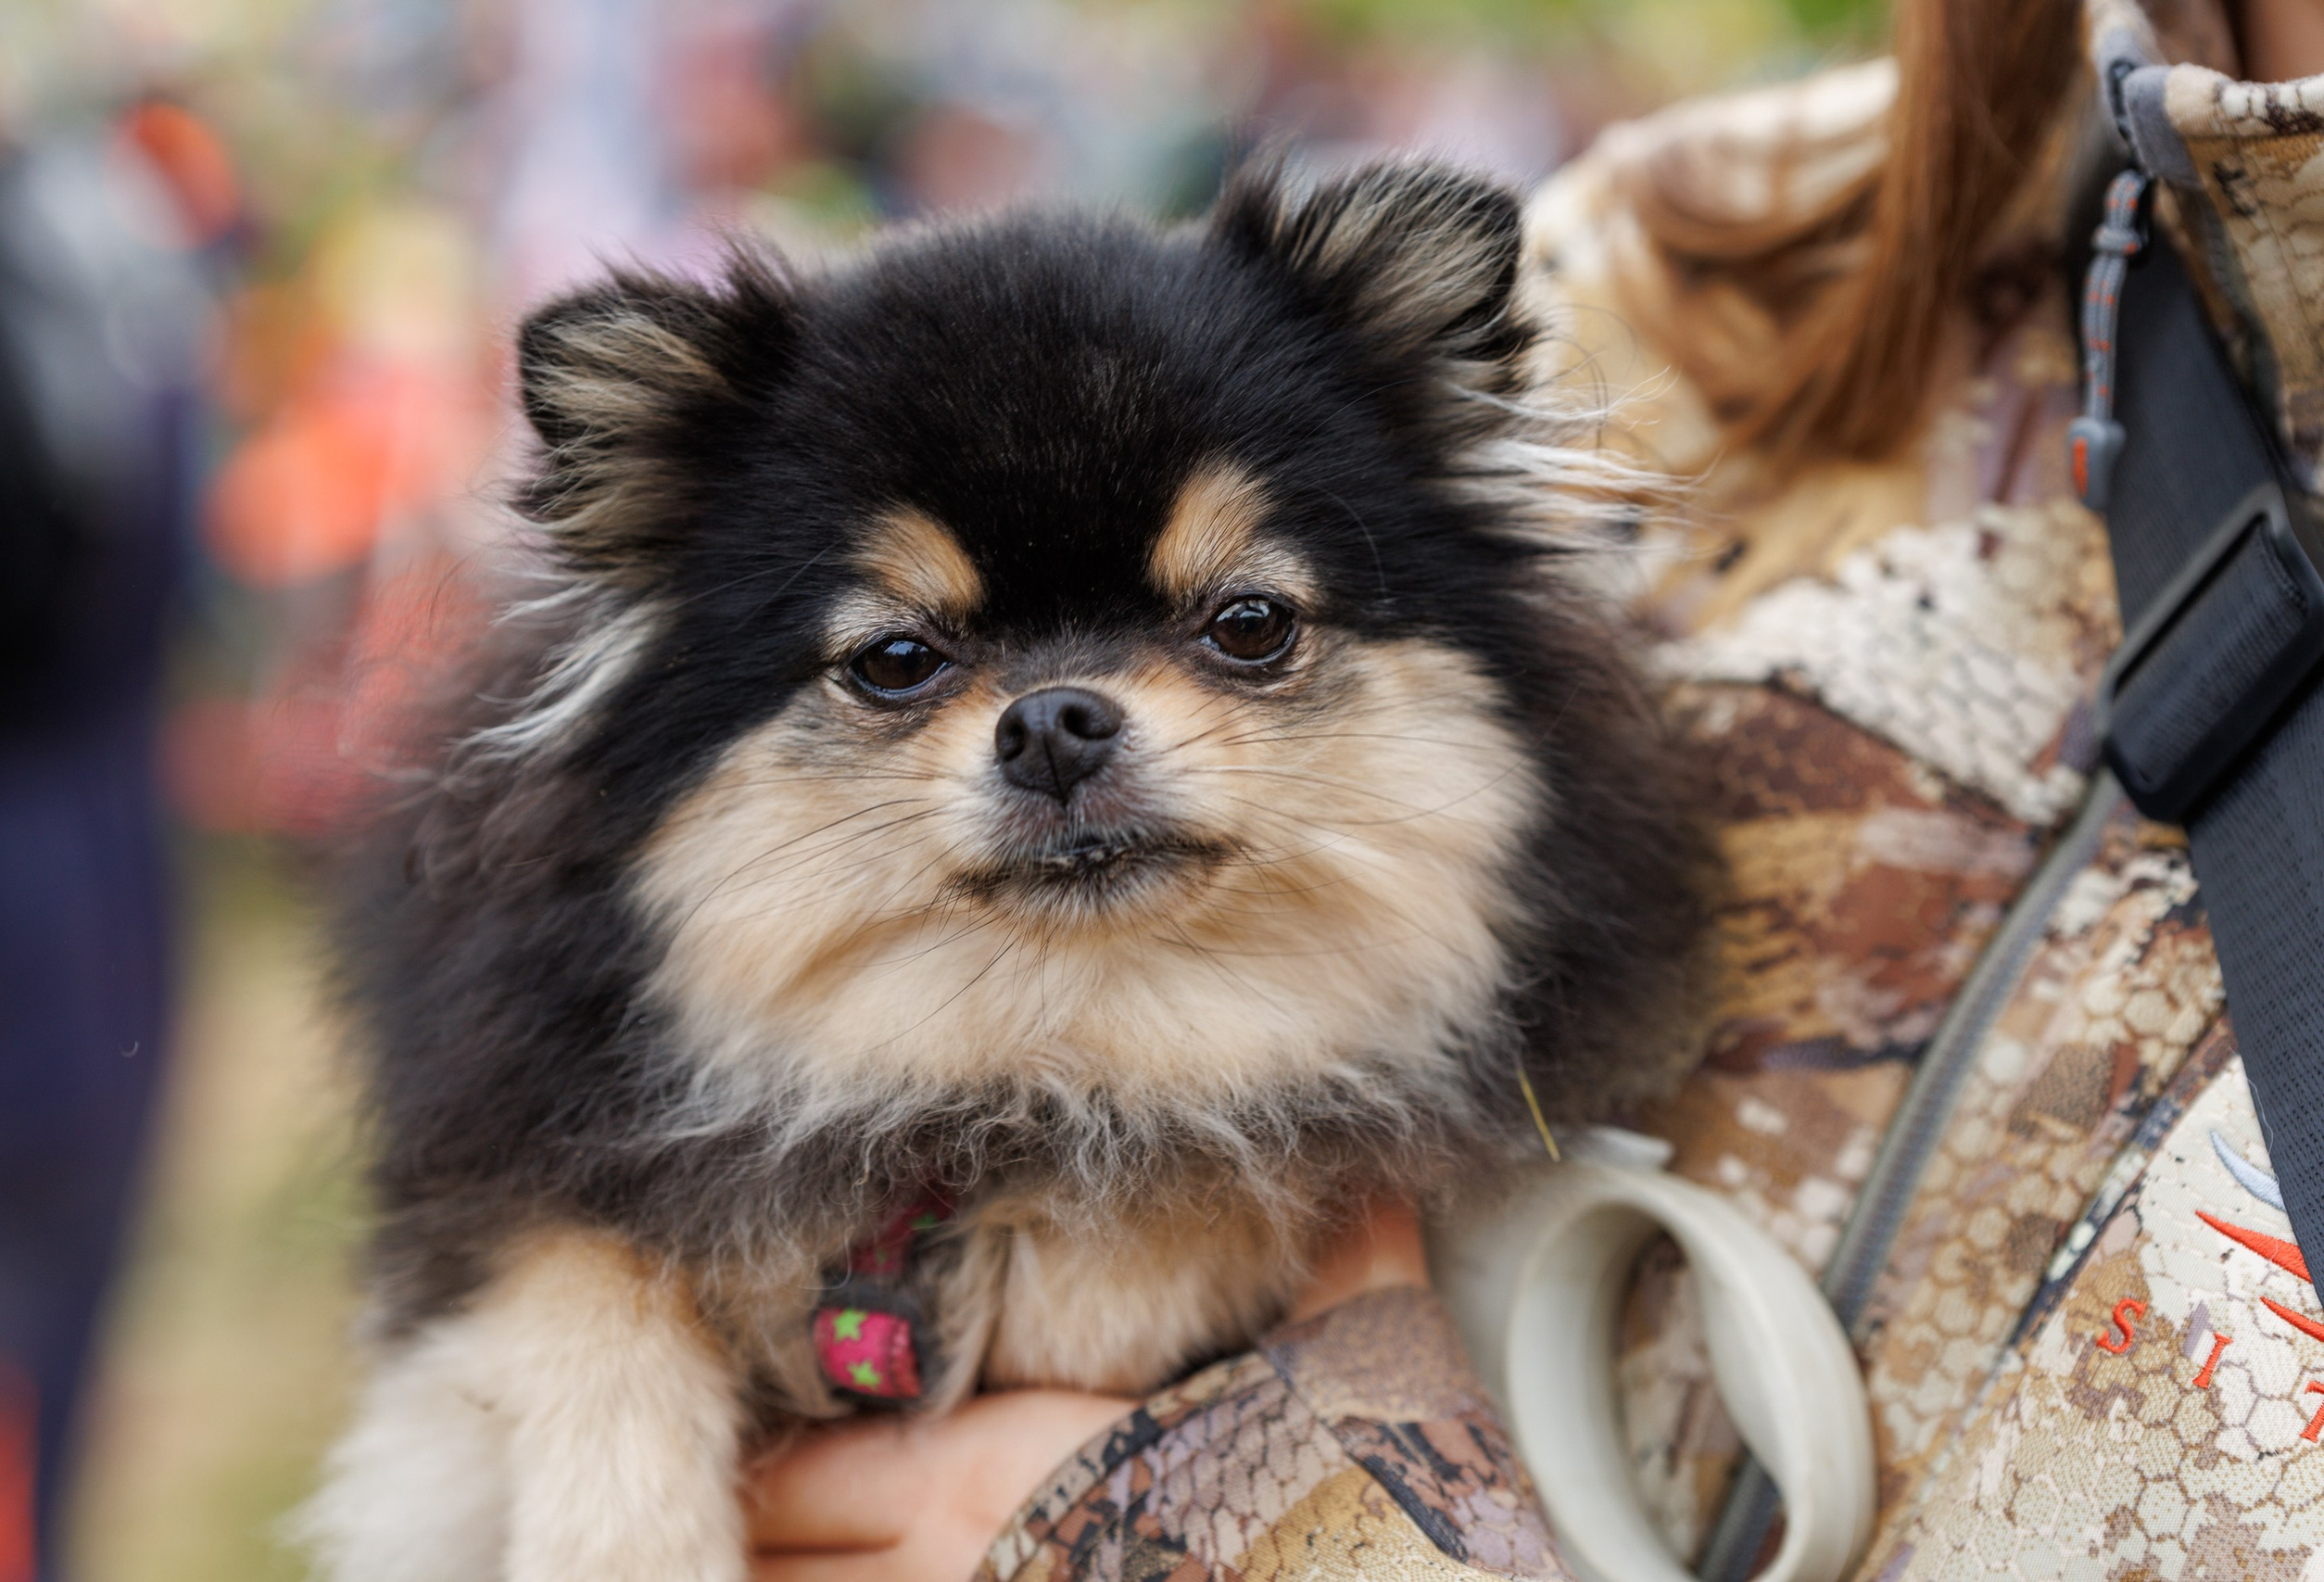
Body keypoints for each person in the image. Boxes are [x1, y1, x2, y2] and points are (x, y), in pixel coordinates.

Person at [746, 0, 2324, 1576]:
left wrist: (1195, 1526)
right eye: (901, 666)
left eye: (1246, 629)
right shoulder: (1704, 267)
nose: (1056, 721)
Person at [0, 108, 212, 1582]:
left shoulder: (60, 215)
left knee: (8, 1360)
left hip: (51, 873)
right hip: (46, 874)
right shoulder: (81, 217)